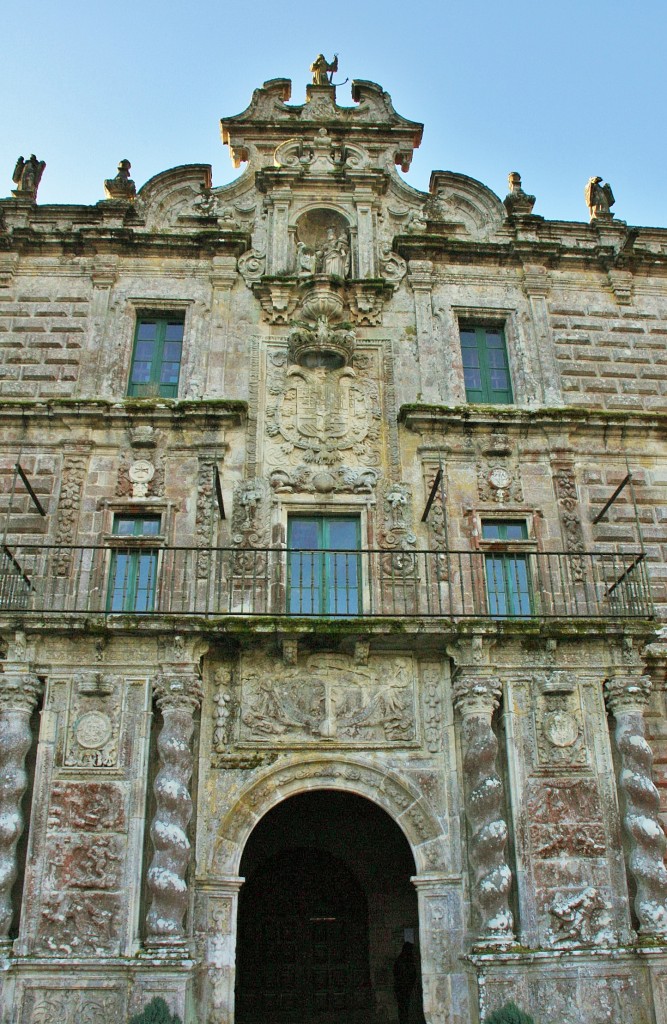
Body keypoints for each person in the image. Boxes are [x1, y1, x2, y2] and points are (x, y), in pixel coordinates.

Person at [393, 941, 417, 1024]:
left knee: (403, 1007)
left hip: (403, 987)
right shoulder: (405, 959)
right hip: (403, 987)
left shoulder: (402, 959)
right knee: (403, 1007)